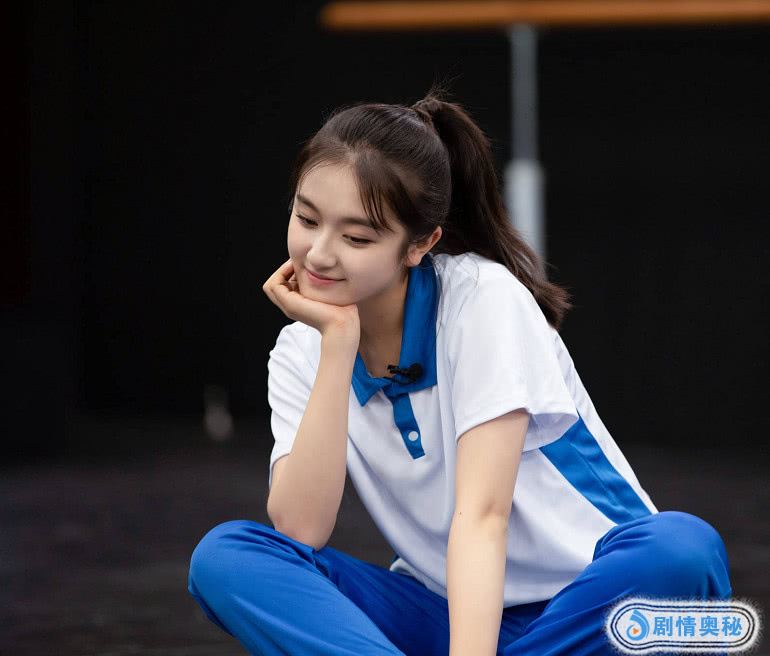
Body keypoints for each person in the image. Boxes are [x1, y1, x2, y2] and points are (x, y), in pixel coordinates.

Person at [187, 84, 732, 655]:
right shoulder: (301, 349)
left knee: (681, 551)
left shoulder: (482, 300)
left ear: (420, 244)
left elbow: (483, 518)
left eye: (356, 237)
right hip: (450, 614)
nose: (319, 253)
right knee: (229, 558)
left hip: (588, 611)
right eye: (306, 218)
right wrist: (337, 345)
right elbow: (301, 528)